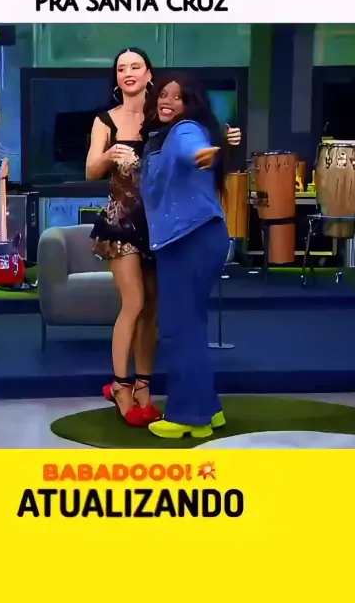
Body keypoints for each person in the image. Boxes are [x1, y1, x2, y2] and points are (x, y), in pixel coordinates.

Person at [86, 48, 241, 426]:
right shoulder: (108, 120)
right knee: (136, 303)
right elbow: (91, 169)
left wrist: (224, 143)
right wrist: (111, 155)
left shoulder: (166, 118)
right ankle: (121, 386)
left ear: (149, 75)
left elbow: (194, 141)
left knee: (157, 310)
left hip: (162, 227)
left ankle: (145, 386)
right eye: (120, 68)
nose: (127, 73)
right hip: (123, 222)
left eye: (135, 66)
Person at [140, 73, 230, 439]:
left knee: (179, 329)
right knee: (190, 325)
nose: (167, 101)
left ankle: (188, 416)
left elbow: (191, 146)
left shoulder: (184, 131)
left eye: (177, 97)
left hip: (190, 238)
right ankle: (208, 408)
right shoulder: (162, 136)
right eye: (163, 94)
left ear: (190, 104)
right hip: (195, 237)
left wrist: (200, 153)